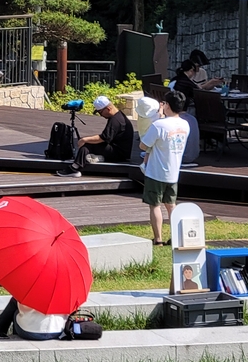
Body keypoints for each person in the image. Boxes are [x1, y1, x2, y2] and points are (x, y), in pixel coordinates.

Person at [140, 90, 190, 246]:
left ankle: (158, 239)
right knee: (171, 206)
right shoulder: (185, 124)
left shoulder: (159, 125)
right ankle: (175, 237)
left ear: (167, 105)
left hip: (156, 172)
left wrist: (159, 119)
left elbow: (143, 145)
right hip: (174, 172)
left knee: (154, 205)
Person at [57, 96, 134, 177]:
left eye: (100, 112)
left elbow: (104, 138)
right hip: (119, 150)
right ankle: (99, 158)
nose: (101, 115)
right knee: (90, 141)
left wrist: (84, 140)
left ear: (108, 109)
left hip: (119, 154)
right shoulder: (118, 116)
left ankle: (75, 168)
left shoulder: (116, 121)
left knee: (87, 144)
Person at [0, 296, 68, 340]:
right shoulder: (65, 287)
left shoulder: (30, 285)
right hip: (56, 331)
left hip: (29, 331)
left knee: (16, 306)